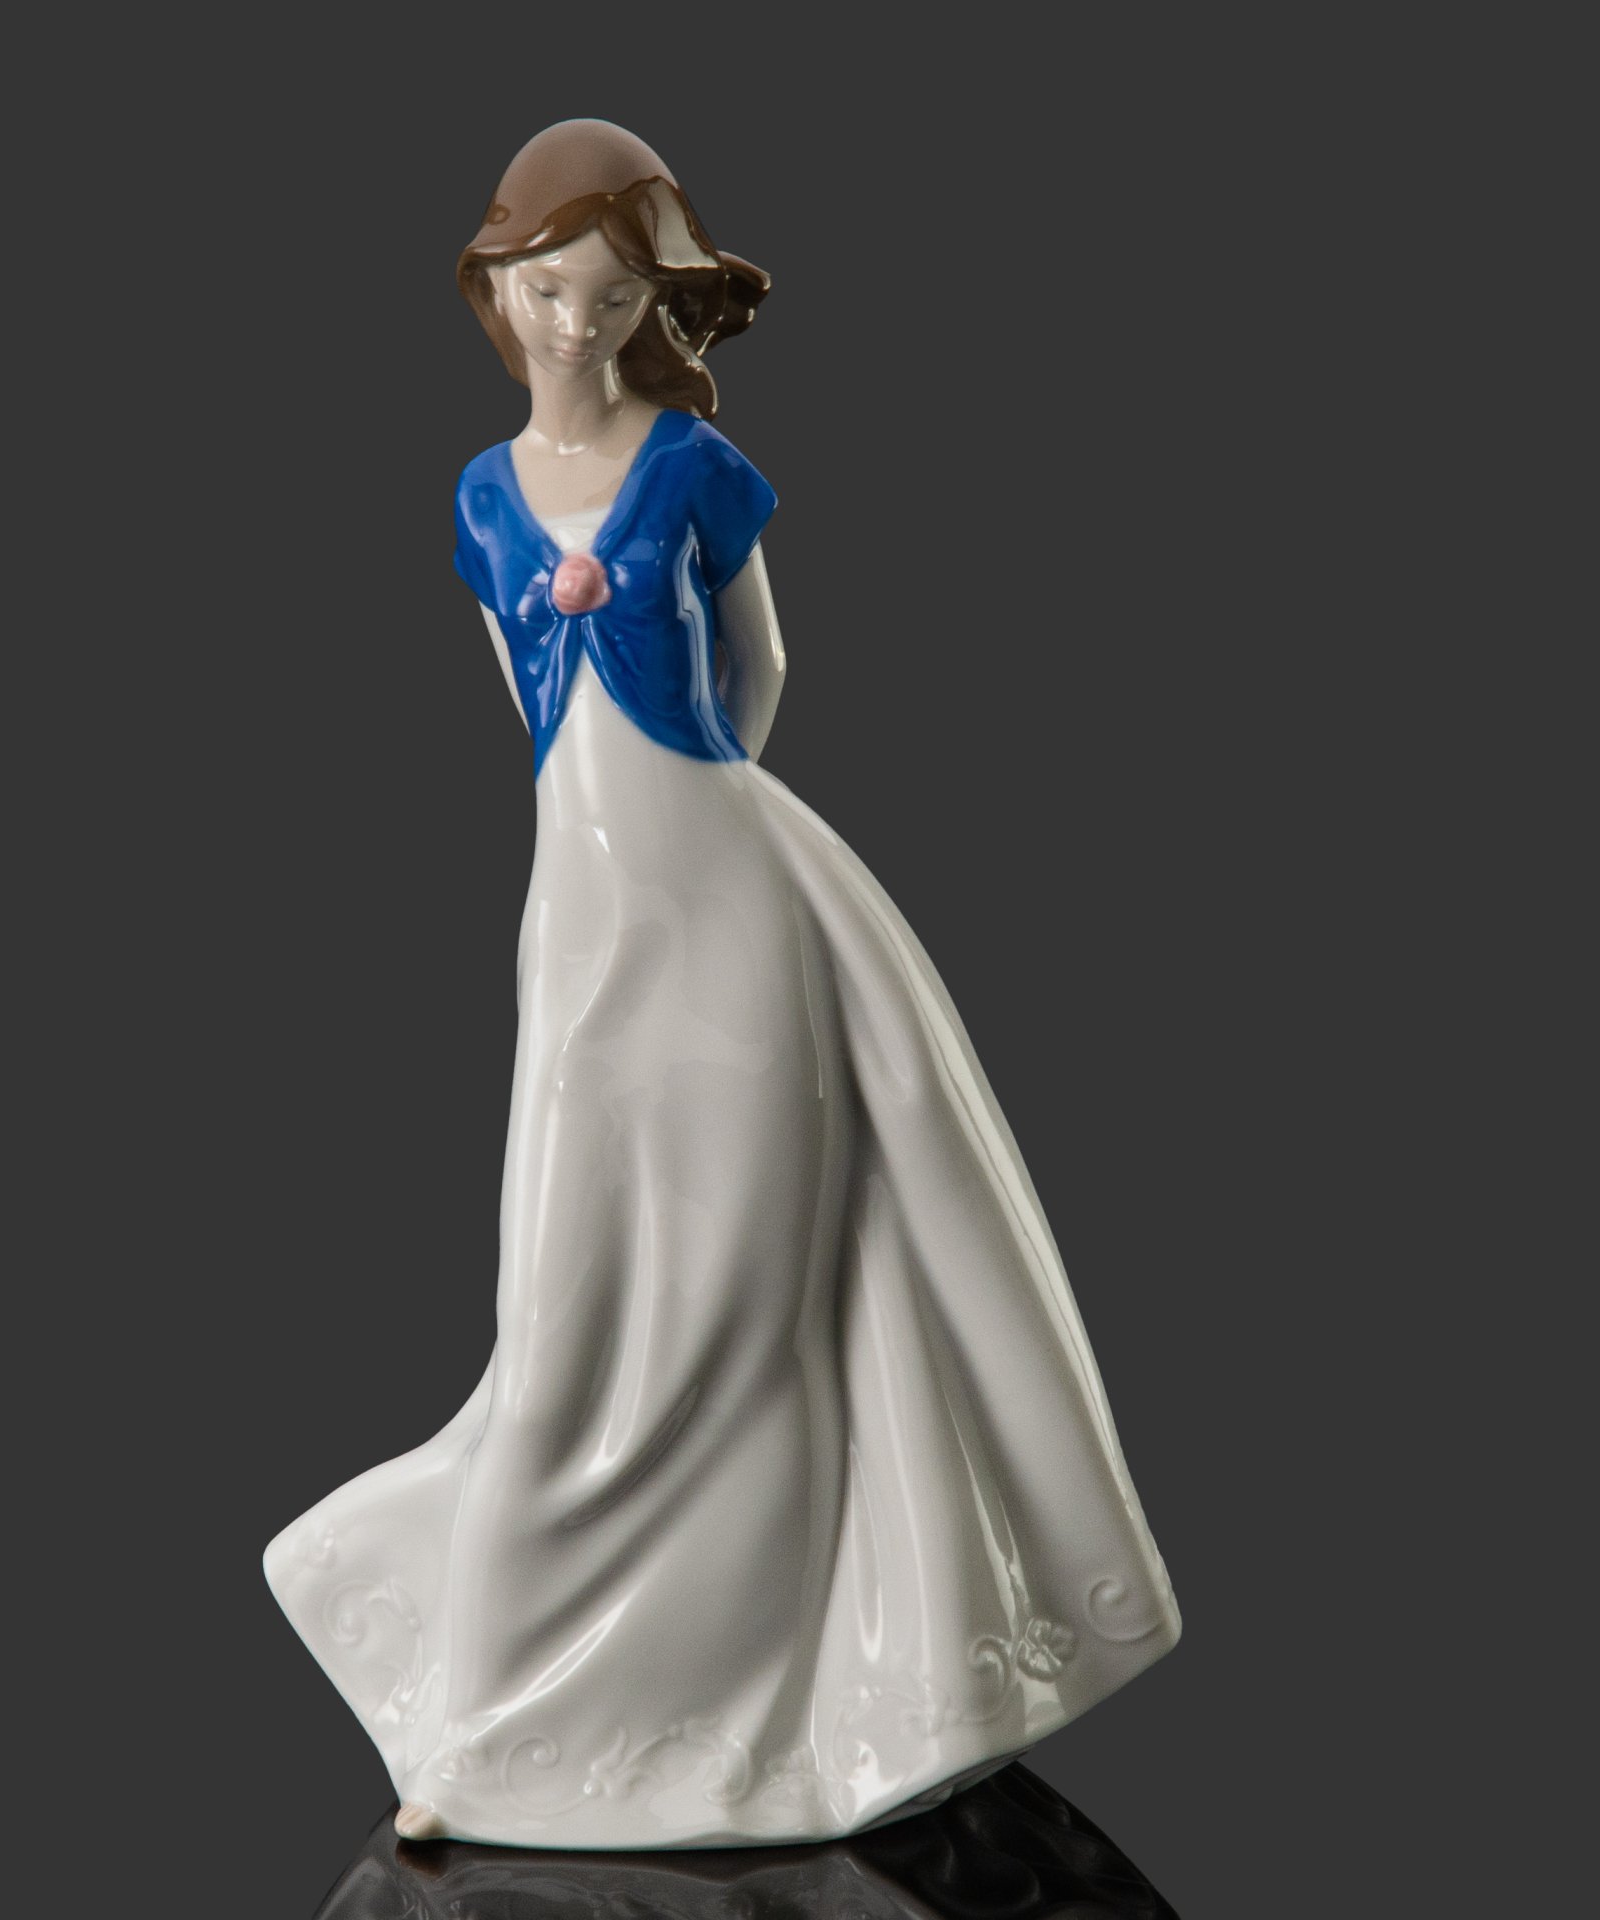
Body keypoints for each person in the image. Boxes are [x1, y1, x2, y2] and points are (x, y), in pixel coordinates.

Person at [265, 119, 1181, 1852]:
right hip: (581, 922)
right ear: (497, 287)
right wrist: (604, 849)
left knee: (741, 1304)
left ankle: (770, 1700)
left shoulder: (692, 463)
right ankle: (494, 1707)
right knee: (563, 1315)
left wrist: (705, 830)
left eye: (613, 297)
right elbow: (523, 701)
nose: (576, 324)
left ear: (651, 307)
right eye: (549, 289)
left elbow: (761, 669)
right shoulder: (480, 497)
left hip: (731, 908)